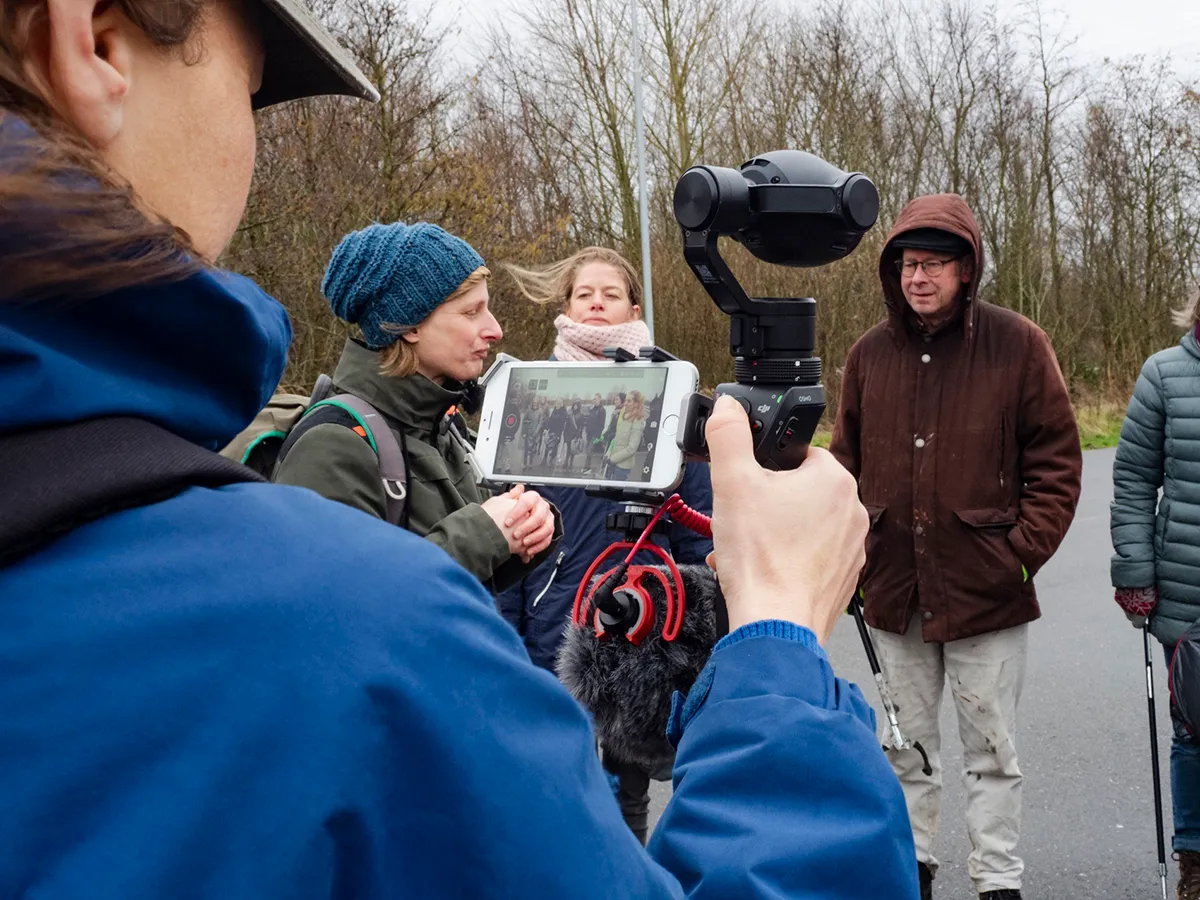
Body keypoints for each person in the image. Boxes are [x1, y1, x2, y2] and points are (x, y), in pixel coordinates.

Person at [0, 1, 918, 895]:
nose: (491, 333)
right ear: (95, 43)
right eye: (251, 89)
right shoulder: (354, 620)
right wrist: (782, 645)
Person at [831, 194, 1082, 900]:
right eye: (910, 264)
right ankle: (909, 871)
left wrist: (1019, 556)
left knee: (992, 751)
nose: (920, 277)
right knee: (904, 748)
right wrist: (851, 556)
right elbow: (842, 468)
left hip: (987, 591)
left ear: (966, 270)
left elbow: (1057, 462)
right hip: (894, 588)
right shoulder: (869, 355)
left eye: (935, 264)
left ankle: (998, 881)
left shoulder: (1018, 344)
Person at [498, 248, 716, 844]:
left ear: (633, 306)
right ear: (565, 307)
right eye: (584, 294)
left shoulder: (670, 395)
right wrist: (508, 637)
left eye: (609, 294)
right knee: (552, 789)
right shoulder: (533, 400)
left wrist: (694, 632)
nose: (596, 303)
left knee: (628, 792)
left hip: (640, 623)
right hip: (550, 621)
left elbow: (701, 529)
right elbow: (506, 536)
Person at [271, 220, 559, 592]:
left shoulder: (444, 425)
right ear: (410, 327)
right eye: (471, 312)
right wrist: (483, 534)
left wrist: (524, 528)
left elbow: (463, 583)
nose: (495, 329)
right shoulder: (333, 443)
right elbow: (334, 599)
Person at [1110, 288, 1200, 899]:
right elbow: (1135, 480)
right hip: (1186, 594)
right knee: (1194, 730)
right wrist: (1135, 574)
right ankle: (1195, 860)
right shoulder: (1164, 373)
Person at [604, 388, 647, 480]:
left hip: (622, 467)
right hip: (613, 463)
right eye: (626, 400)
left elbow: (632, 448)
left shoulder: (637, 422)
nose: (625, 403)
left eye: (629, 401)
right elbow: (616, 439)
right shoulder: (625, 417)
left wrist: (613, 459)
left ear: (636, 403)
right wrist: (608, 454)